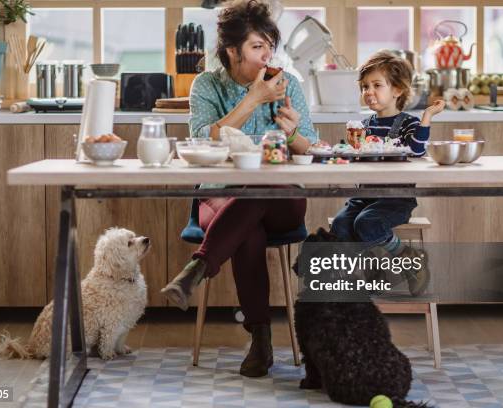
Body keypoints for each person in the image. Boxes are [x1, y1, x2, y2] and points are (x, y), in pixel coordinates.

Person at [160, 0, 317, 378]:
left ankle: (199, 267)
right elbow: (200, 141)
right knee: (249, 230)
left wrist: (292, 131)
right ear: (233, 51)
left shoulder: (288, 83)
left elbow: (311, 148)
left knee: (257, 196)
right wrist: (252, 101)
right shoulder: (207, 85)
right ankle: (261, 340)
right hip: (219, 194)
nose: (267, 56)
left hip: (282, 197)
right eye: (257, 47)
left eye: (269, 46)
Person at [330, 50, 445, 296]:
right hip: (364, 196)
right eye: (364, 87)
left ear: (397, 90)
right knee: (341, 225)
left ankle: (410, 260)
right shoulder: (364, 125)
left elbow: (416, 151)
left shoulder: (407, 124)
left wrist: (427, 117)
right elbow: (354, 155)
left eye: (376, 85)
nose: (368, 92)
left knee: (367, 223)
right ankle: (375, 269)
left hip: (395, 198)